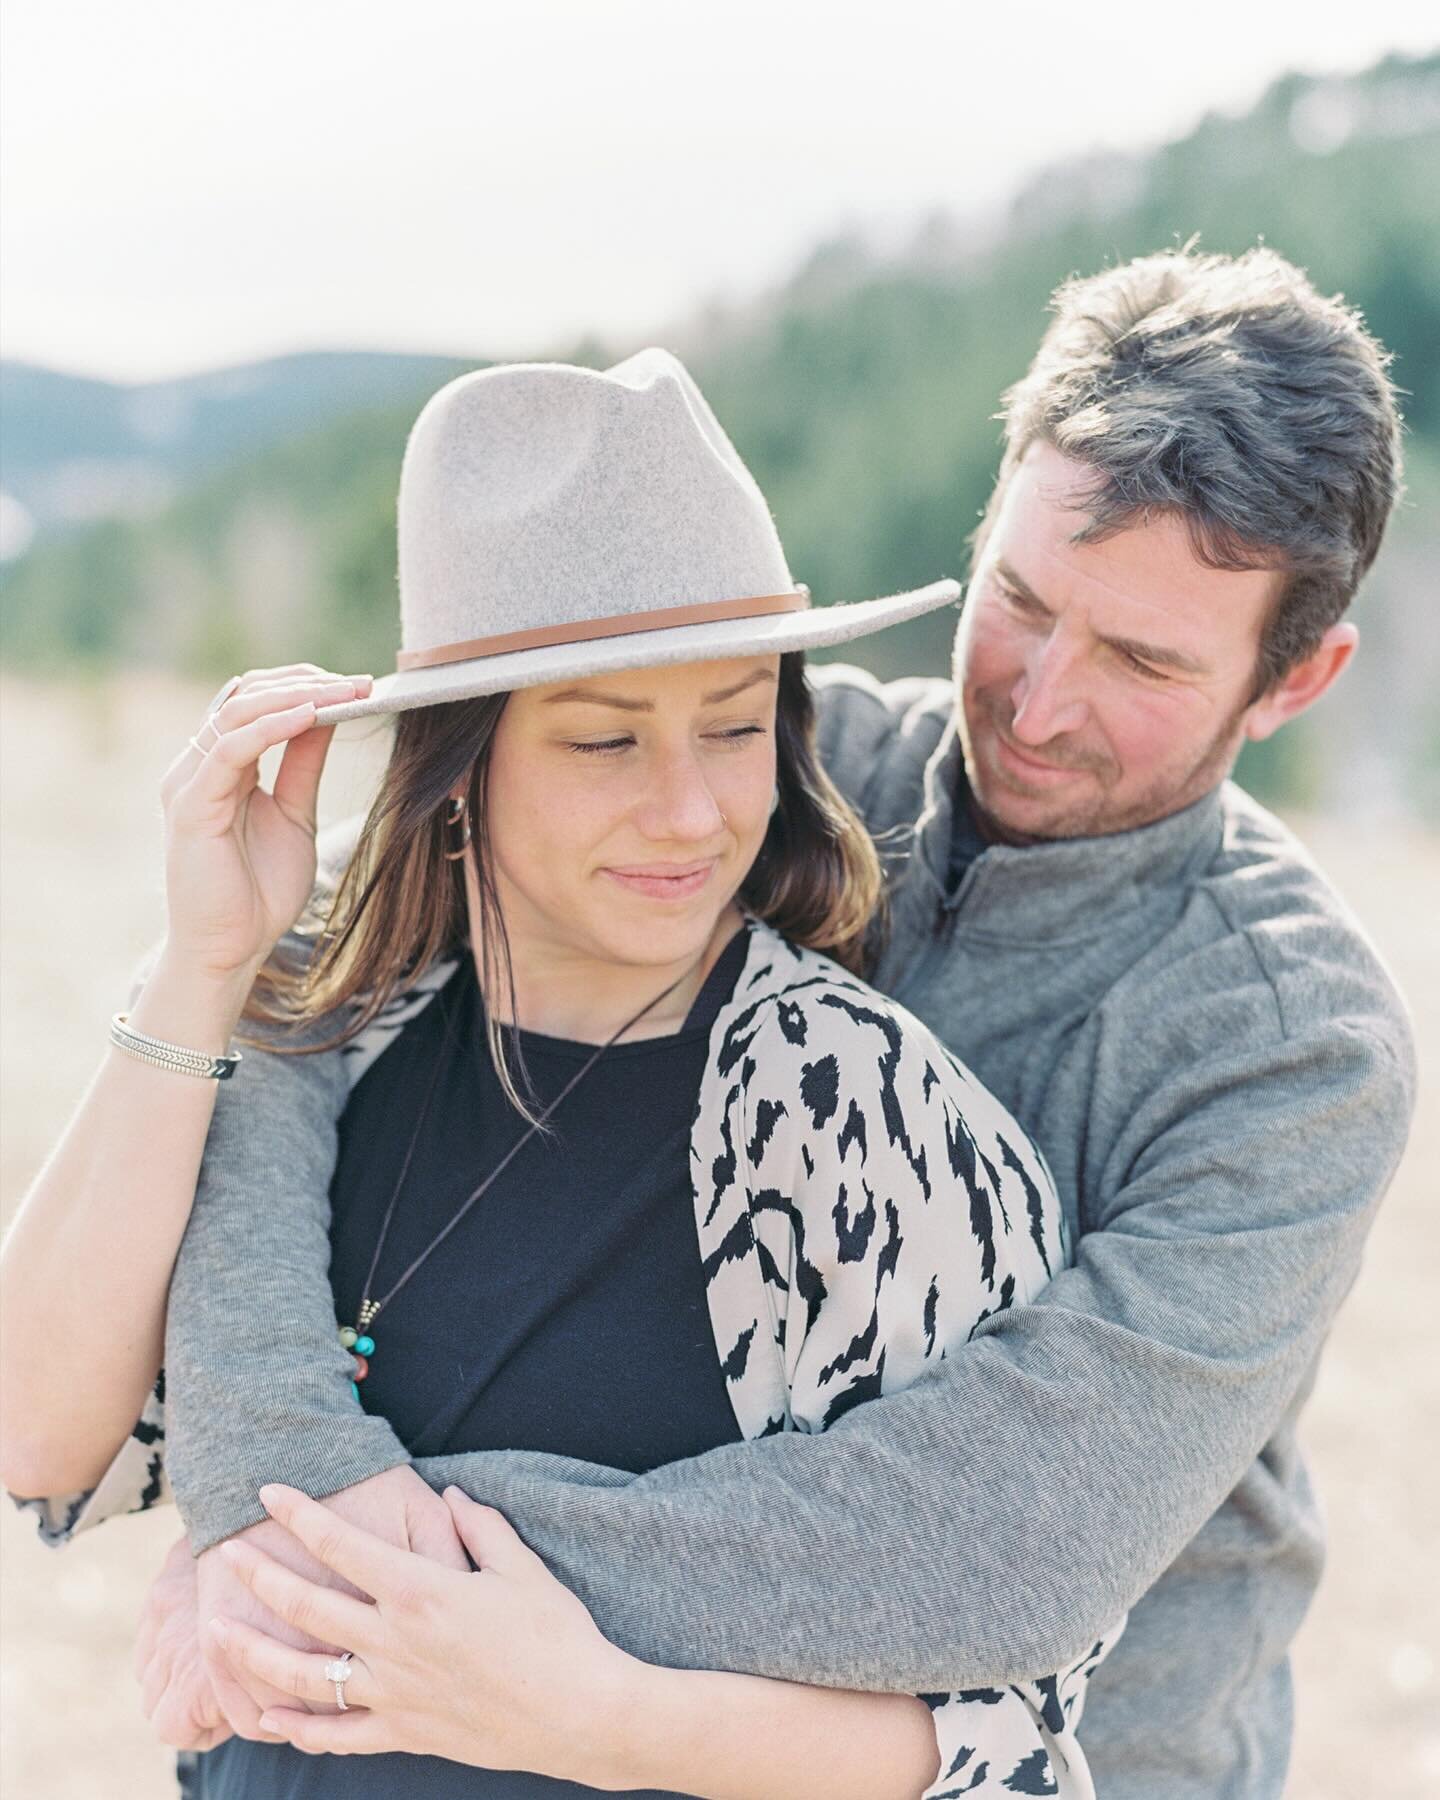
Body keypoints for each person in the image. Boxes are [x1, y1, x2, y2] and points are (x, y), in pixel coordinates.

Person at [54, 245, 1414, 1800]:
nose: (1036, 704)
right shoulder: (775, 778)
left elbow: (997, 1538)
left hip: (1088, 1755)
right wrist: (284, 1466)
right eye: (1022, 603)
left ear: (1298, 682)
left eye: (1143, 663)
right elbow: (339, 970)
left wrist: (333, 1559)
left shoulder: (1294, 1048)